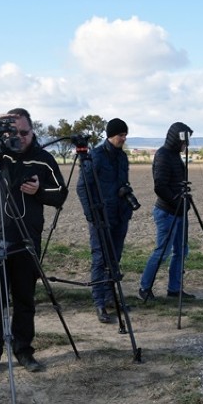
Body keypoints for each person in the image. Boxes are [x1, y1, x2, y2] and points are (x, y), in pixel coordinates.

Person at [0, 108, 68, 374]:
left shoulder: (43, 159)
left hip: (26, 237)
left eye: (25, 132)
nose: (20, 138)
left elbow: (60, 195)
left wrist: (39, 191)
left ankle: (24, 351)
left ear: (33, 131)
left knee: (24, 299)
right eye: (13, 132)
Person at [76, 118, 134, 324]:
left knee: (114, 259)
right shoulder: (96, 157)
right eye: (121, 135)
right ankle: (99, 303)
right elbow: (82, 187)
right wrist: (91, 214)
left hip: (120, 215)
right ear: (111, 135)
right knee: (100, 260)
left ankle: (112, 298)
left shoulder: (122, 157)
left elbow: (122, 182)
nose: (124, 138)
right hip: (101, 217)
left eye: (126, 135)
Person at [139, 122, 196, 301]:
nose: (186, 144)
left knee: (181, 250)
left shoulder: (175, 156)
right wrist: (175, 200)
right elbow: (160, 186)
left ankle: (174, 289)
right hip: (167, 212)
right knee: (162, 251)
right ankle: (144, 288)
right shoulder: (163, 155)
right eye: (185, 140)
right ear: (176, 138)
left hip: (179, 211)